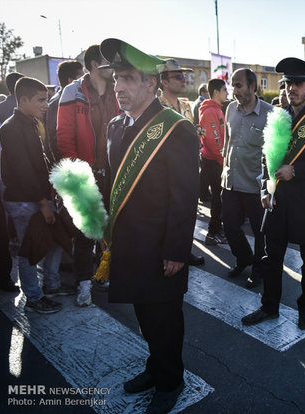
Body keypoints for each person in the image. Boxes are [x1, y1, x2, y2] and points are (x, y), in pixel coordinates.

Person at [99, 38, 199, 413]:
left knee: (165, 319)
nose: (118, 87)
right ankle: (155, 367)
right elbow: (114, 185)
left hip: (160, 249)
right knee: (145, 315)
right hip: (129, 244)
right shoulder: (114, 126)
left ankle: (170, 381)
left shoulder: (176, 129)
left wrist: (176, 250)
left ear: (150, 85)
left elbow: (185, 195)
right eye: (115, 80)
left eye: (127, 79)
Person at [241, 57, 305, 330]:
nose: (291, 89)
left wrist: (296, 170)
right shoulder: (279, 115)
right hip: (278, 201)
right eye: (287, 84)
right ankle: (269, 307)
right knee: (270, 259)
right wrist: (265, 188)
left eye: (297, 84)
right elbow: (267, 158)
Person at [56, 44, 119, 306]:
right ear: (94, 64)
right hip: (85, 173)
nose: (114, 65)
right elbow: (63, 137)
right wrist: (79, 173)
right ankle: (83, 283)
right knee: (85, 233)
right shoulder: (73, 91)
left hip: (113, 172)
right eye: (108, 60)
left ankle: (103, 274)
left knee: (110, 229)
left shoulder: (117, 90)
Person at [0, 77, 64, 313]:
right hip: (23, 200)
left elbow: (40, 162)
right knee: (30, 251)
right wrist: (43, 203)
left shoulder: (31, 122)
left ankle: (50, 285)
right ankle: (34, 298)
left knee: (54, 240)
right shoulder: (10, 128)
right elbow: (23, 170)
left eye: (46, 99)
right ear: (23, 100)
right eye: (41, 100)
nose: (46, 104)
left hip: (38, 196)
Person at [222, 68, 272, 288]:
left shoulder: (270, 114)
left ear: (253, 87)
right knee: (230, 227)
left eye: (239, 85)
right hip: (230, 181)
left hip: (255, 186)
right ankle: (244, 259)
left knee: (260, 233)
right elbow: (227, 141)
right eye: (232, 85)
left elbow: (274, 154)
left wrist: (270, 187)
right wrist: (223, 169)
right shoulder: (231, 109)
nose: (234, 90)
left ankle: (260, 270)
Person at [158, 59, 205, 266]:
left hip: (190, 166)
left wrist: (196, 133)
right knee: (169, 213)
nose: (183, 79)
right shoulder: (157, 106)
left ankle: (185, 249)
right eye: (178, 76)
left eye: (183, 75)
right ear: (164, 82)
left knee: (188, 210)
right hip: (167, 171)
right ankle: (169, 252)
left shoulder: (186, 105)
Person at [199, 78, 229, 246]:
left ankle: (217, 228)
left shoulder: (216, 109)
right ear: (216, 92)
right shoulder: (211, 111)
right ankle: (212, 233)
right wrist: (222, 160)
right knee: (218, 198)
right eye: (225, 90)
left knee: (220, 198)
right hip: (214, 161)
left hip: (216, 160)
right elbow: (213, 139)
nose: (227, 93)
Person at [45, 60, 83, 164]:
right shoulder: (56, 104)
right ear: (71, 81)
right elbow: (56, 142)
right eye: (81, 77)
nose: (85, 81)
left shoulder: (79, 99)